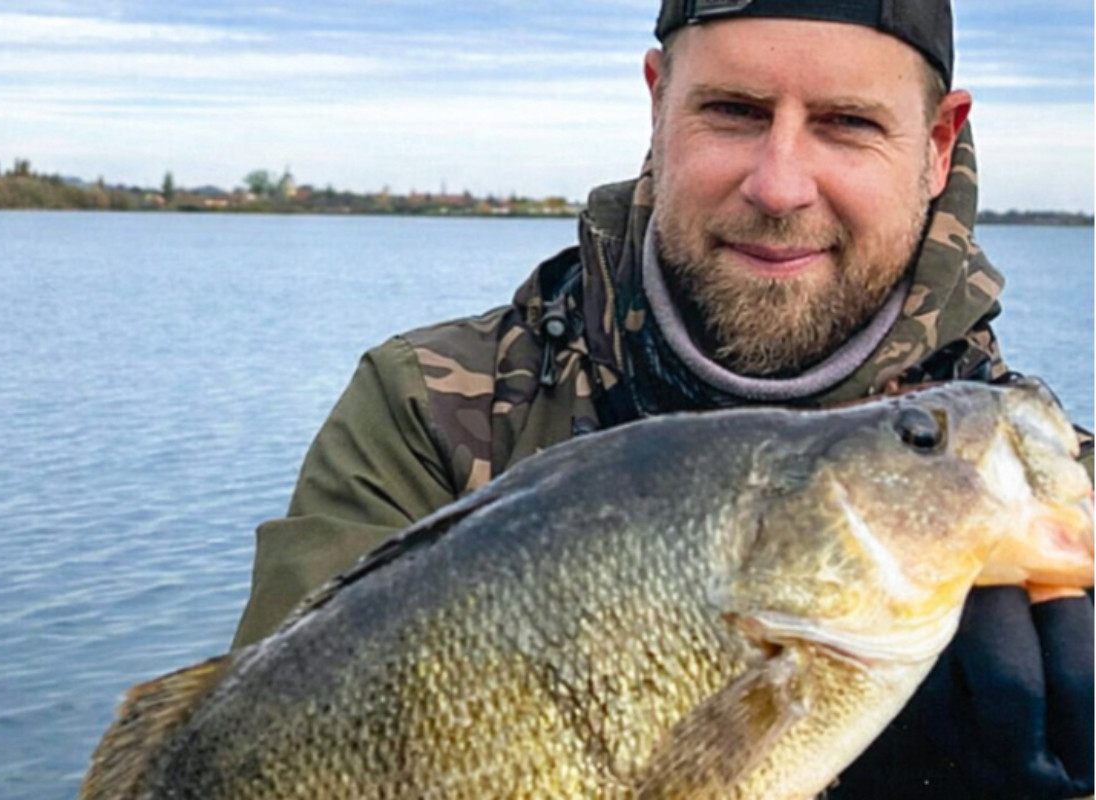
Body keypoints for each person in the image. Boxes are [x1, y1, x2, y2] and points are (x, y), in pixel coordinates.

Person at [233, 1, 1094, 797]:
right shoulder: (429, 406)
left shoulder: (1053, 491)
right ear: (658, 105)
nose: (779, 184)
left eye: (847, 124)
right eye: (734, 112)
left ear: (939, 145)